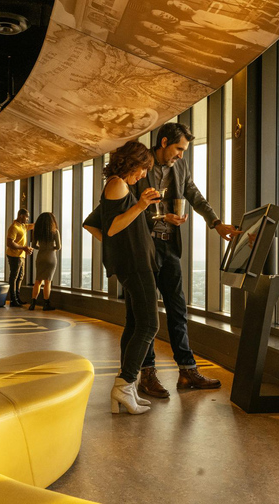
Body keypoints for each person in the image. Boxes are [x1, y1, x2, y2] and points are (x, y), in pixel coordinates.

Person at [131, 122, 241, 397]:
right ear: (164, 142)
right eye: (179, 148)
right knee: (146, 313)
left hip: (169, 247)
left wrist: (216, 223)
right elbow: (128, 207)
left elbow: (193, 194)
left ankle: (187, 371)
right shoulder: (141, 164)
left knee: (177, 309)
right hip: (145, 245)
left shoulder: (180, 167)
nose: (181, 155)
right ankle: (148, 374)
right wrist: (159, 216)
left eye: (184, 150)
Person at [99, 140, 161, 415]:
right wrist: (140, 205)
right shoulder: (117, 184)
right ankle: (124, 386)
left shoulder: (119, 186)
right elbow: (111, 228)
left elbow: (94, 223)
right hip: (135, 265)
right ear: (131, 162)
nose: (144, 174)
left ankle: (126, 389)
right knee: (149, 325)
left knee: (135, 324)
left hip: (135, 262)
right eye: (143, 168)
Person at [29, 212, 61, 311]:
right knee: (48, 282)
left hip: (40, 257)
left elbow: (34, 245)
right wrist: (52, 248)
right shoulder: (55, 231)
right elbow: (59, 247)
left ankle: (33, 304)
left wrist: (41, 248)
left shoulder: (37, 231)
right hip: (51, 257)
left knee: (37, 281)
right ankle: (46, 304)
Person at [6, 209, 34, 307]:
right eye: (27, 217)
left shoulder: (22, 226)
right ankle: (13, 300)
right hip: (14, 255)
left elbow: (32, 225)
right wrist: (24, 247)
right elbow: (9, 243)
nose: (28, 219)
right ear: (21, 216)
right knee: (14, 276)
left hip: (21, 255)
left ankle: (17, 298)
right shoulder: (14, 227)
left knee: (20, 276)